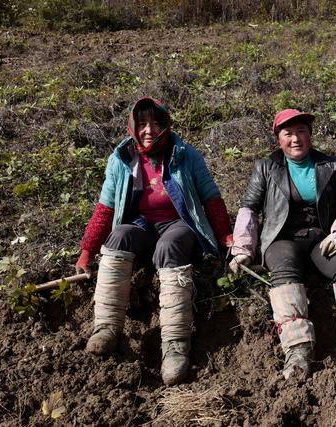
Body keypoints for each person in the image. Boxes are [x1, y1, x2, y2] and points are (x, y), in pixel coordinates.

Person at [75, 97, 233, 385]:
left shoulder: (185, 155)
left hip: (180, 226)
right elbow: (105, 207)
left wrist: (224, 235)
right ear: (133, 126)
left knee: (169, 246)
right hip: (143, 227)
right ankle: (107, 327)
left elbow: (211, 197)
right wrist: (86, 252)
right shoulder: (121, 158)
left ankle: (175, 346)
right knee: (119, 235)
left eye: (156, 123)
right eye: (143, 124)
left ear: (166, 126)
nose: (149, 130)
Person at [229, 109, 336, 379]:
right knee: (284, 269)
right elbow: (249, 209)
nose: (295, 139)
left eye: (301, 131)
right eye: (288, 133)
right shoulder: (266, 167)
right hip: (282, 239)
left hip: (321, 238)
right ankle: (298, 349)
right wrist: (243, 249)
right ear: (278, 139)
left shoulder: (330, 165)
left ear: (310, 134)